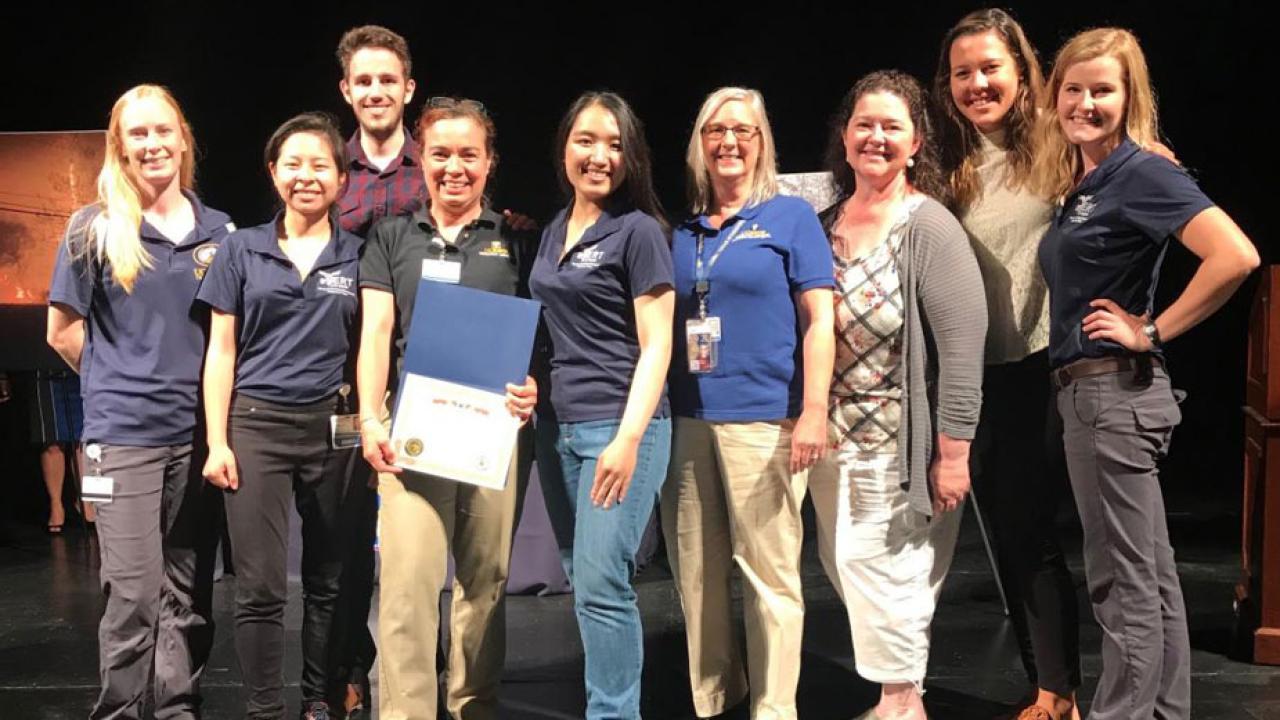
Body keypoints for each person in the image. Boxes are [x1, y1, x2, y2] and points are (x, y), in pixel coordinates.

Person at [1031, 28, 1258, 720]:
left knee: (1122, 583)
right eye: (1073, 88)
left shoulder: (1141, 172)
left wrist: (1151, 329)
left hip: (1110, 394)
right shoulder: (1089, 177)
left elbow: (1235, 256)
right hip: (1104, 397)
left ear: (1130, 97)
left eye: (1103, 89)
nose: (1085, 102)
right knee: (1150, 577)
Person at [46, 83, 234, 720]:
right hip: (120, 438)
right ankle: (122, 711)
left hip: (196, 439)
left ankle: (177, 707)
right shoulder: (93, 229)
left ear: (184, 139)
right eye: (138, 134)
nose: (153, 144)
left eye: (163, 131)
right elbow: (62, 331)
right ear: (119, 149)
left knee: (187, 588)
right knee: (130, 593)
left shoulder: (220, 231)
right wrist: (115, 381)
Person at [810, 70, 986, 720]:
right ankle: (901, 700)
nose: (876, 138)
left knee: (893, 573)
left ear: (916, 144)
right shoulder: (823, 226)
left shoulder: (928, 227)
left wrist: (954, 452)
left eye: (892, 127)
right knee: (851, 571)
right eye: (865, 124)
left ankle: (901, 706)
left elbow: (963, 350)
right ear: (845, 135)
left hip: (898, 447)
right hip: (830, 445)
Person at [356, 97, 538, 720]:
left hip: (494, 437)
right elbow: (376, 336)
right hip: (413, 438)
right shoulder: (391, 237)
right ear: (420, 159)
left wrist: (533, 386)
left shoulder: (517, 240)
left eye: (468, 154)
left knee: (483, 585)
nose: (453, 167)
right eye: (440, 154)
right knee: (407, 589)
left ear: (490, 162)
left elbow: (538, 336)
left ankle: (472, 707)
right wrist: (370, 419)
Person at [661, 86, 835, 720]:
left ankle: (774, 707)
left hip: (766, 419)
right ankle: (713, 698)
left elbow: (821, 320)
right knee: (696, 573)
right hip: (686, 421)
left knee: (769, 575)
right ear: (699, 144)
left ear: (762, 143)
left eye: (743, 131)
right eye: (715, 131)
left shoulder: (790, 218)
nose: (729, 142)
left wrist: (814, 409)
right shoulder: (679, 232)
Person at [932, 9, 1081, 719]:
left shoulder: (1063, 144)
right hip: (973, 372)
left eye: (990, 67)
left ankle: (1058, 691)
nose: (977, 83)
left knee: (1032, 527)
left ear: (1022, 71)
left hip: (1044, 363)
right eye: (963, 72)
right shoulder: (946, 164)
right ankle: (1045, 683)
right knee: (1009, 530)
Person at [198, 112, 361, 720]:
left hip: (333, 432)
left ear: (342, 180)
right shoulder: (241, 250)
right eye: (293, 164)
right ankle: (264, 708)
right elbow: (221, 351)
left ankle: (317, 701)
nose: (306, 176)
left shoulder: (359, 257)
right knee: (260, 587)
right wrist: (218, 440)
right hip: (256, 428)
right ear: (273, 173)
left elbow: (374, 349)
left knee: (328, 581)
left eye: (320, 165)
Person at [529, 91, 673, 720]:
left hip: (619, 428)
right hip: (556, 429)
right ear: (565, 145)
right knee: (584, 584)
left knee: (602, 584)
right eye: (587, 140)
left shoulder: (637, 232)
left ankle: (614, 715)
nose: (600, 156)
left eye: (616, 145)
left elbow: (659, 341)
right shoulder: (553, 230)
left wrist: (629, 438)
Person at [30, 368, 88, 533]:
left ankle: (85, 500)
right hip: (44, 365)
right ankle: (56, 504)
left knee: (83, 438)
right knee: (51, 438)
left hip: (78, 364)